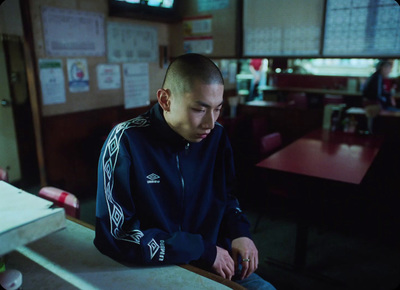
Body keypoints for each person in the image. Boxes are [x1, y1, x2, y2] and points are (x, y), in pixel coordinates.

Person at [94, 53, 276, 289]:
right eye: (199, 110)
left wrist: (240, 231)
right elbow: (115, 236)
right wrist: (199, 249)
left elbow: (227, 197)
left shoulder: (217, 137)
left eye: (217, 109)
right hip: (156, 265)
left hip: (215, 260)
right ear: (165, 100)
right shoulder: (125, 141)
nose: (210, 123)